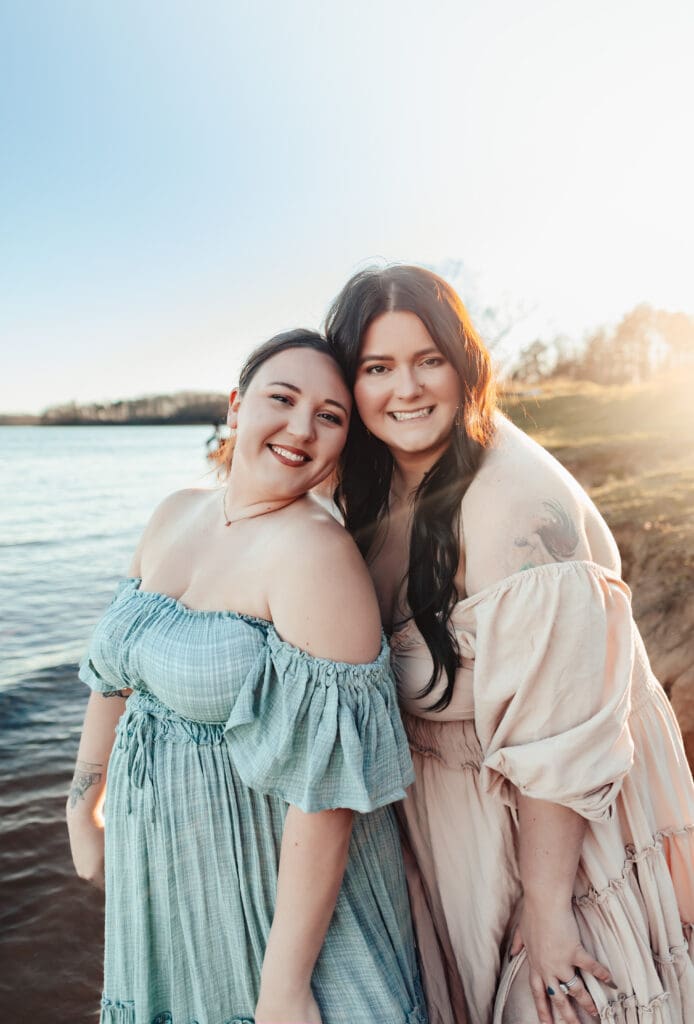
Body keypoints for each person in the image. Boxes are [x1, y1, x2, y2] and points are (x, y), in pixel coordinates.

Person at [325, 266, 694, 1024]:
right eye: (378, 367)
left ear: (466, 366)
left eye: (430, 359)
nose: (407, 388)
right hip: (470, 833)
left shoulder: (517, 507)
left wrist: (550, 911)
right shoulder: (386, 485)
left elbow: (559, 743)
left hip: (564, 838)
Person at [66, 329, 427, 1024]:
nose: (301, 428)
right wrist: (82, 801)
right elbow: (112, 673)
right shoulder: (174, 513)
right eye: (282, 399)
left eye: (329, 416)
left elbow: (326, 796)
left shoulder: (315, 556)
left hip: (268, 897)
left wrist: (284, 986)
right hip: (171, 878)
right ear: (236, 406)